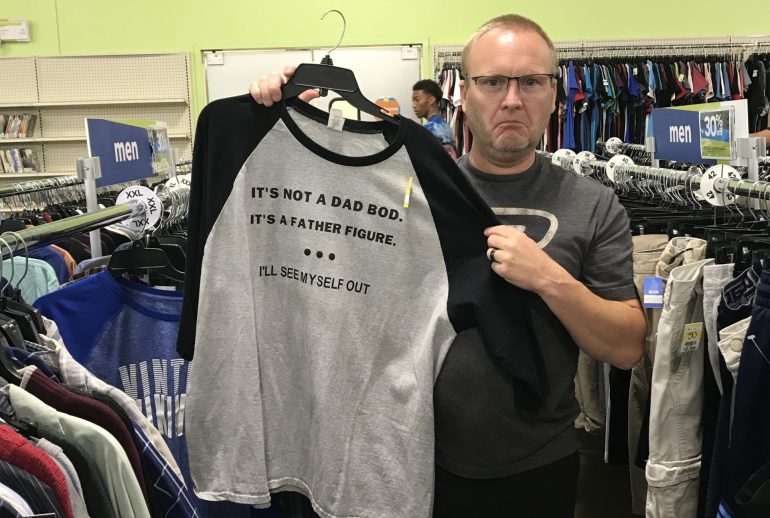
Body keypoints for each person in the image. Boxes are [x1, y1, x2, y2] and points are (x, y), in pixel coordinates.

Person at [249, 14, 646, 518]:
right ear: (464, 94)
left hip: (540, 467)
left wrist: (548, 278)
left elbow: (626, 347)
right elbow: (312, 243)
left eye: (531, 81)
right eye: (493, 81)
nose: (512, 99)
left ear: (554, 94)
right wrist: (276, 116)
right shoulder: (405, 193)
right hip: (413, 462)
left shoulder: (594, 205)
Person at [411, 79, 456, 148]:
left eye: (417, 100)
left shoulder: (428, 130)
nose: (413, 105)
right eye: (413, 101)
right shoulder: (445, 126)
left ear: (431, 100)